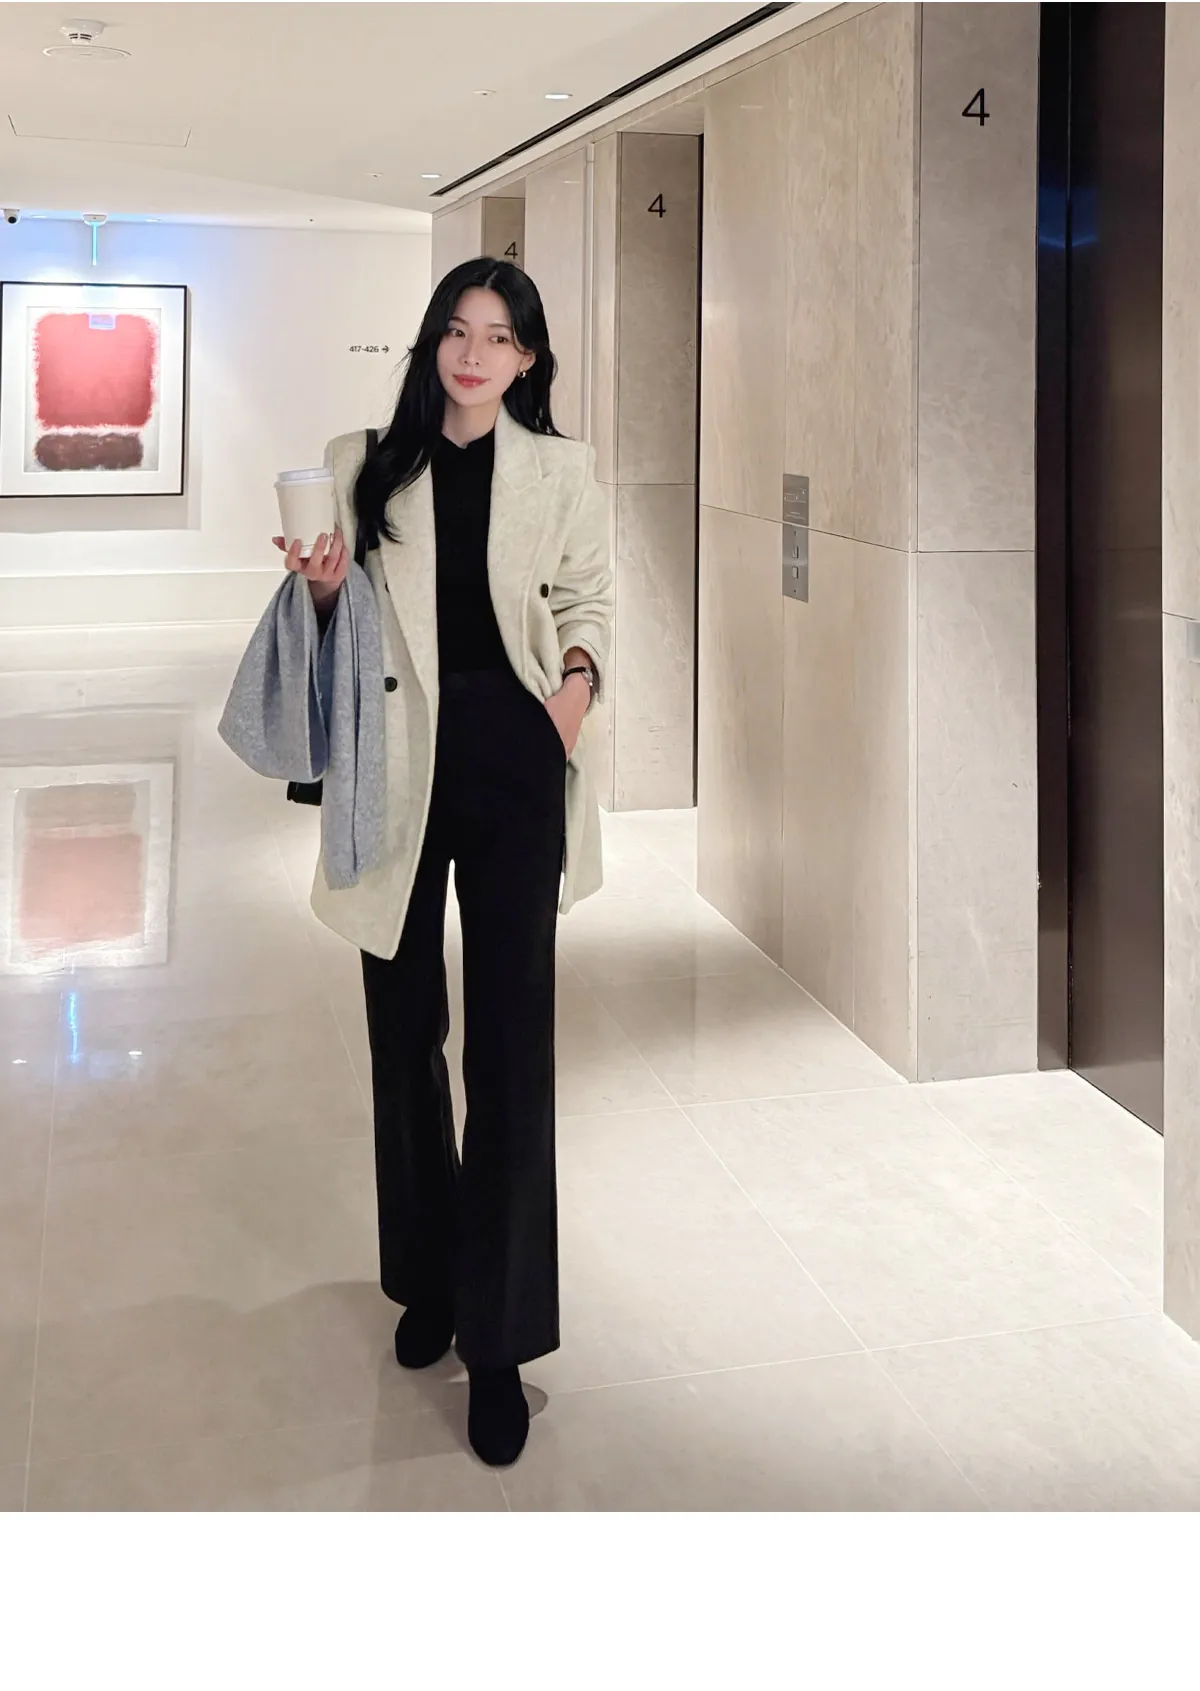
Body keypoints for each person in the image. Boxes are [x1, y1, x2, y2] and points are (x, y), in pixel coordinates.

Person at [272, 258, 613, 1467]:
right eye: (457, 332)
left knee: (512, 1046)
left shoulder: (563, 469)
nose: (474, 355)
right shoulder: (365, 461)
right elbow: (330, 620)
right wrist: (322, 592)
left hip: (513, 753)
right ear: (431, 343)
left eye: (499, 337)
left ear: (528, 358)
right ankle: (426, 1277)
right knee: (403, 1028)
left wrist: (571, 696)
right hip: (394, 761)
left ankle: (501, 1336)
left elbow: (589, 601)